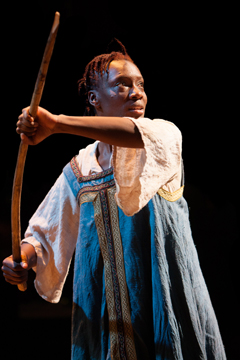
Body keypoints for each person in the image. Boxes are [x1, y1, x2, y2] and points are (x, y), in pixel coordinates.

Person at [2, 41, 226, 360]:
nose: (137, 93)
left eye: (140, 85)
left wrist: (57, 124)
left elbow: (132, 134)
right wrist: (22, 259)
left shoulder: (162, 136)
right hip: (108, 318)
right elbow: (45, 233)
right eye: (122, 85)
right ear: (94, 99)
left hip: (162, 302)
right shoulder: (81, 169)